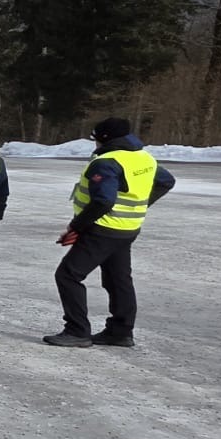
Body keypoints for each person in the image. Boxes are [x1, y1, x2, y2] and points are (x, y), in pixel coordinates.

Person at [43, 116, 175, 348]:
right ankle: (120, 331)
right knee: (118, 279)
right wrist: (140, 205)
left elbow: (103, 200)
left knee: (68, 275)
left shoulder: (107, 162)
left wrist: (77, 226)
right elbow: (166, 181)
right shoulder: (143, 157)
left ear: (104, 139)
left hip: (103, 229)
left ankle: (77, 331)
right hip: (128, 228)